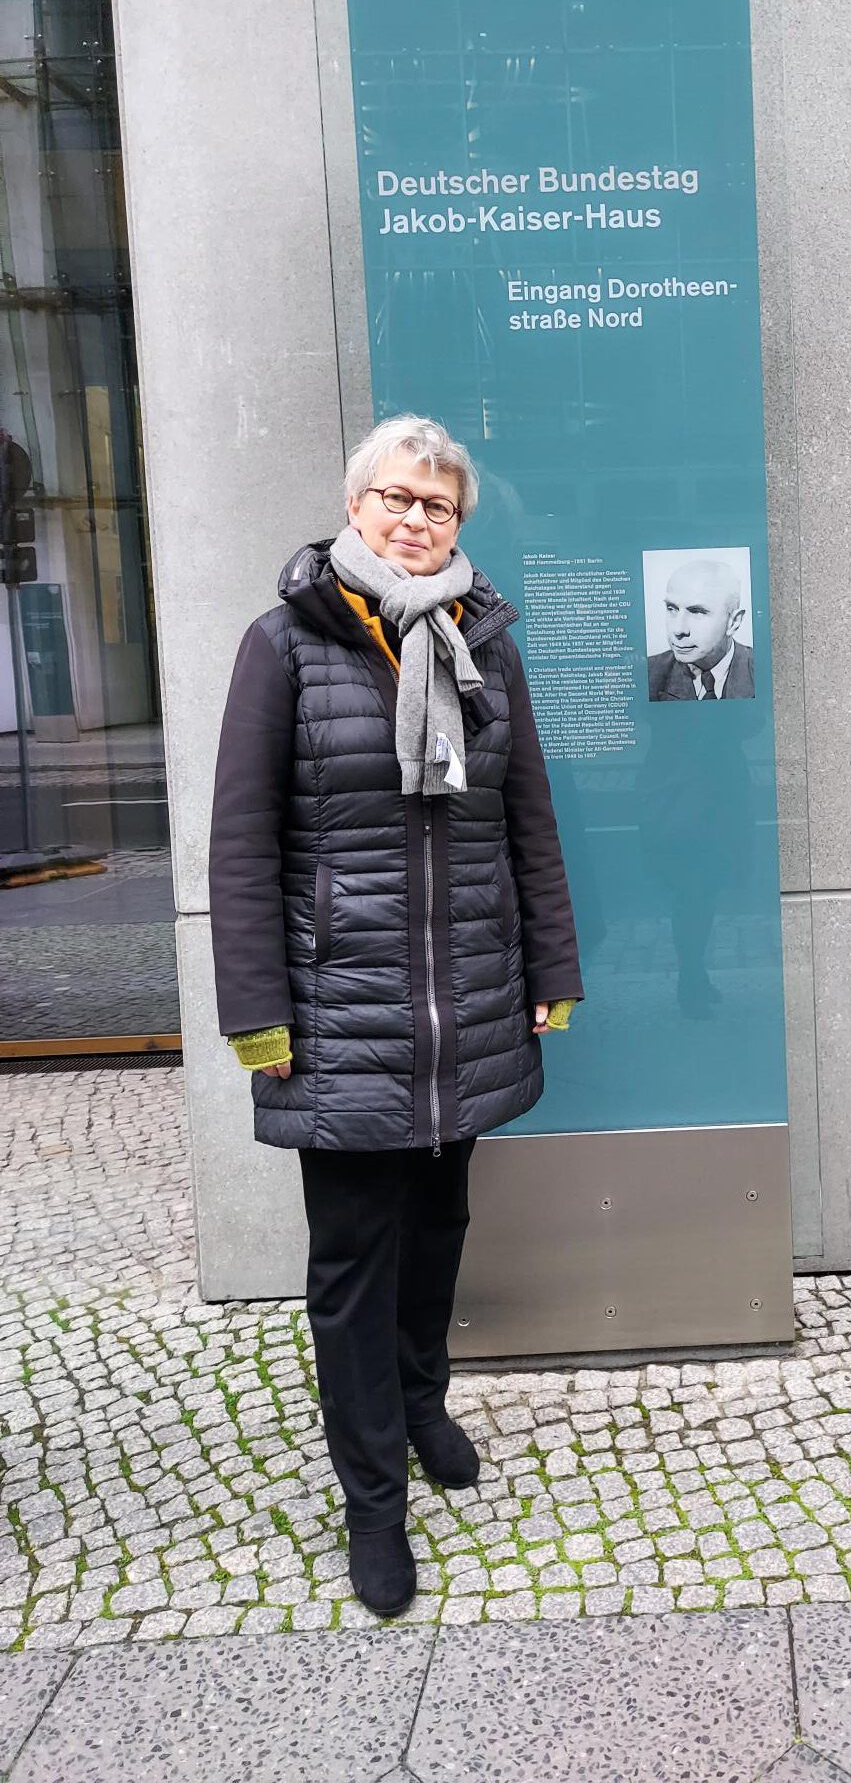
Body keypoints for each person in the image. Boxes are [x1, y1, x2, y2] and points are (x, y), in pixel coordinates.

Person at [208, 413, 582, 1618]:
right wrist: (259, 1015)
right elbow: (241, 844)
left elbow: (527, 818)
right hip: (341, 1012)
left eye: (440, 505)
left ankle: (423, 1403)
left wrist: (549, 962)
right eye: (399, 498)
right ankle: (373, 1500)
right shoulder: (286, 643)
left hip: (463, 1001)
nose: (418, 519)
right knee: (354, 1265)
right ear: (355, 505)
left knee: (439, 1228)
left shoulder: (485, 644)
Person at [646, 556, 755, 700]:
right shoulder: (647, 675)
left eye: (697, 612)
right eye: (672, 608)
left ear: (733, 622)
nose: (678, 630)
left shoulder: (763, 670)